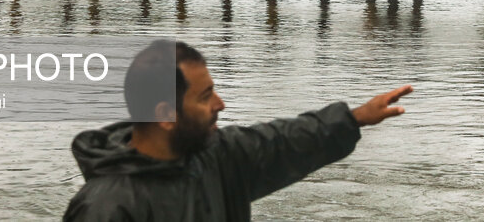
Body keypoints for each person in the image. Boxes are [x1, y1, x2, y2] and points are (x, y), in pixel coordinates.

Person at [64, 41, 413, 221]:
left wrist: (353, 118)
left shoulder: (220, 157)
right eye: (205, 96)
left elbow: (285, 141)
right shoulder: (106, 206)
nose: (220, 104)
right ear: (165, 115)